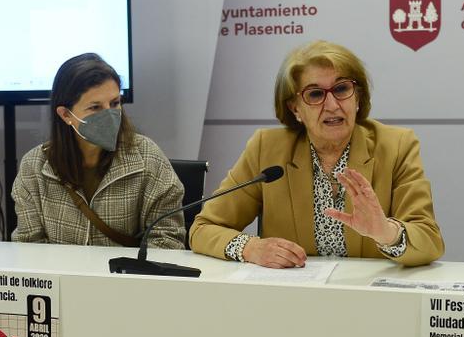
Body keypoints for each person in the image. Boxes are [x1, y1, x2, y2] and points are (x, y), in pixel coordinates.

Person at [189, 40, 444, 268]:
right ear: (295, 108)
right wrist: (251, 248)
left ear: (357, 97)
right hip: (292, 301)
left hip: (370, 302)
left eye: (342, 89)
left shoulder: (396, 145)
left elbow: (429, 241)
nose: (332, 105)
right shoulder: (267, 148)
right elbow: (203, 229)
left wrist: (387, 232)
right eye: (315, 94)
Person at [12, 53, 185, 248]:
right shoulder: (34, 167)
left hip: (126, 277)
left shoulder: (149, 158)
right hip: (64, 277)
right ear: (65, 115)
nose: (109, 115)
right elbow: (29, 248)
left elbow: (167, 241)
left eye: (114, 103)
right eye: (95, 107)